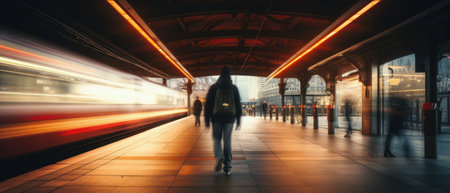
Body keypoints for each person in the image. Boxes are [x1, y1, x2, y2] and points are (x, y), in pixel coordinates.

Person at [204, 66, 242, 176]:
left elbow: (208, 105)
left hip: (216, 118)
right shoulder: (234, 88)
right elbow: (238, 105)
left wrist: (207, 119)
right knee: (227, 142)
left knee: (216, 139)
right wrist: (238, 119)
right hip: (229, 118)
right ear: (229, 75)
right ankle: (228, 167)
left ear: (220, 74)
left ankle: (219, 156)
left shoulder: (214, 87)